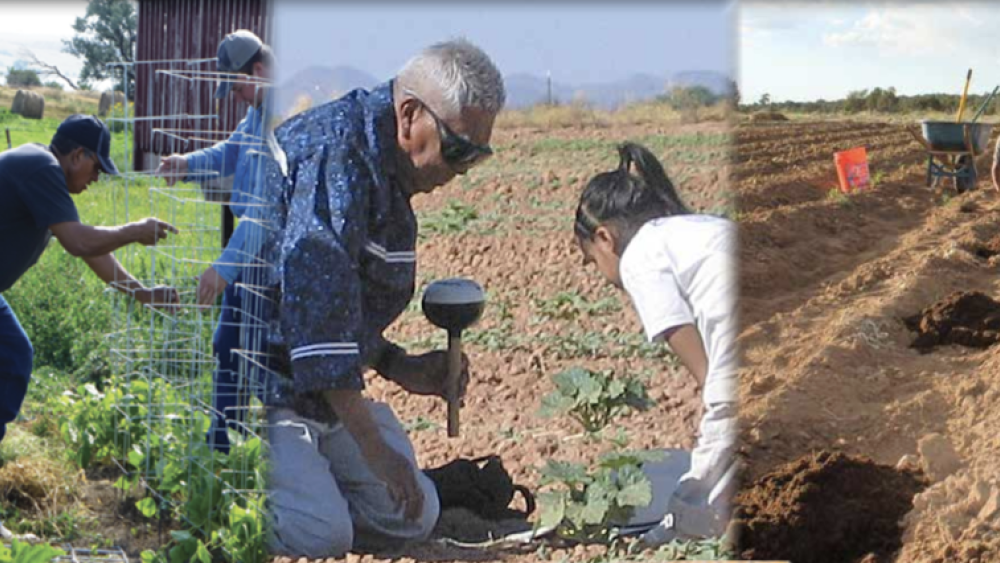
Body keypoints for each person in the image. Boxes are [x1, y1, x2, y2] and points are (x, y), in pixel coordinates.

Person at [259, 38, 504, 558]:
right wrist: (373, 447)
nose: (461, 168)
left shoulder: (388, 172)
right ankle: (215, 487)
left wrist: (400, 366)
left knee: (415, 518)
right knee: (321, 535)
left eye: (476, 156)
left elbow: (345, 312)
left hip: (314, 396)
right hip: (257, 387)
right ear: (410, 114)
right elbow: (318, 323)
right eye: (457, 148)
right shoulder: (335, 156)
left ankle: (308, 485)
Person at [0, 114, 178, 540]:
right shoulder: (40, 166)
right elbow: (80, 241)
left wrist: (141, 293)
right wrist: (134, 231)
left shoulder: (44, 172)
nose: (97, 178)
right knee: (12, 359)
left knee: (13, 358)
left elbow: (86, 249)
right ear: (76, 154)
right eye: (97, 167)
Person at [573, 142, 738, 545]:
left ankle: (680, 539)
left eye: (592, 260)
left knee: (701, 503)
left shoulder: (639, 257)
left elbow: (707, 373)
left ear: (604, 238)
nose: (600, 273)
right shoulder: (695, 228)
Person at [155, 29, 275, 452]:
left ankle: (276, 451)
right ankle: (224, 442)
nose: (236, 95)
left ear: (259, 71)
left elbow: (264, 211)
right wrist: (186, 163)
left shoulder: (284, 118)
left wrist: (223, 268)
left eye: (238, 84)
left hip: (269, 262)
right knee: (227, 345)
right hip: (247, 253)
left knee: (265, 359)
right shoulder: (257, 113)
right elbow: (230, 150)